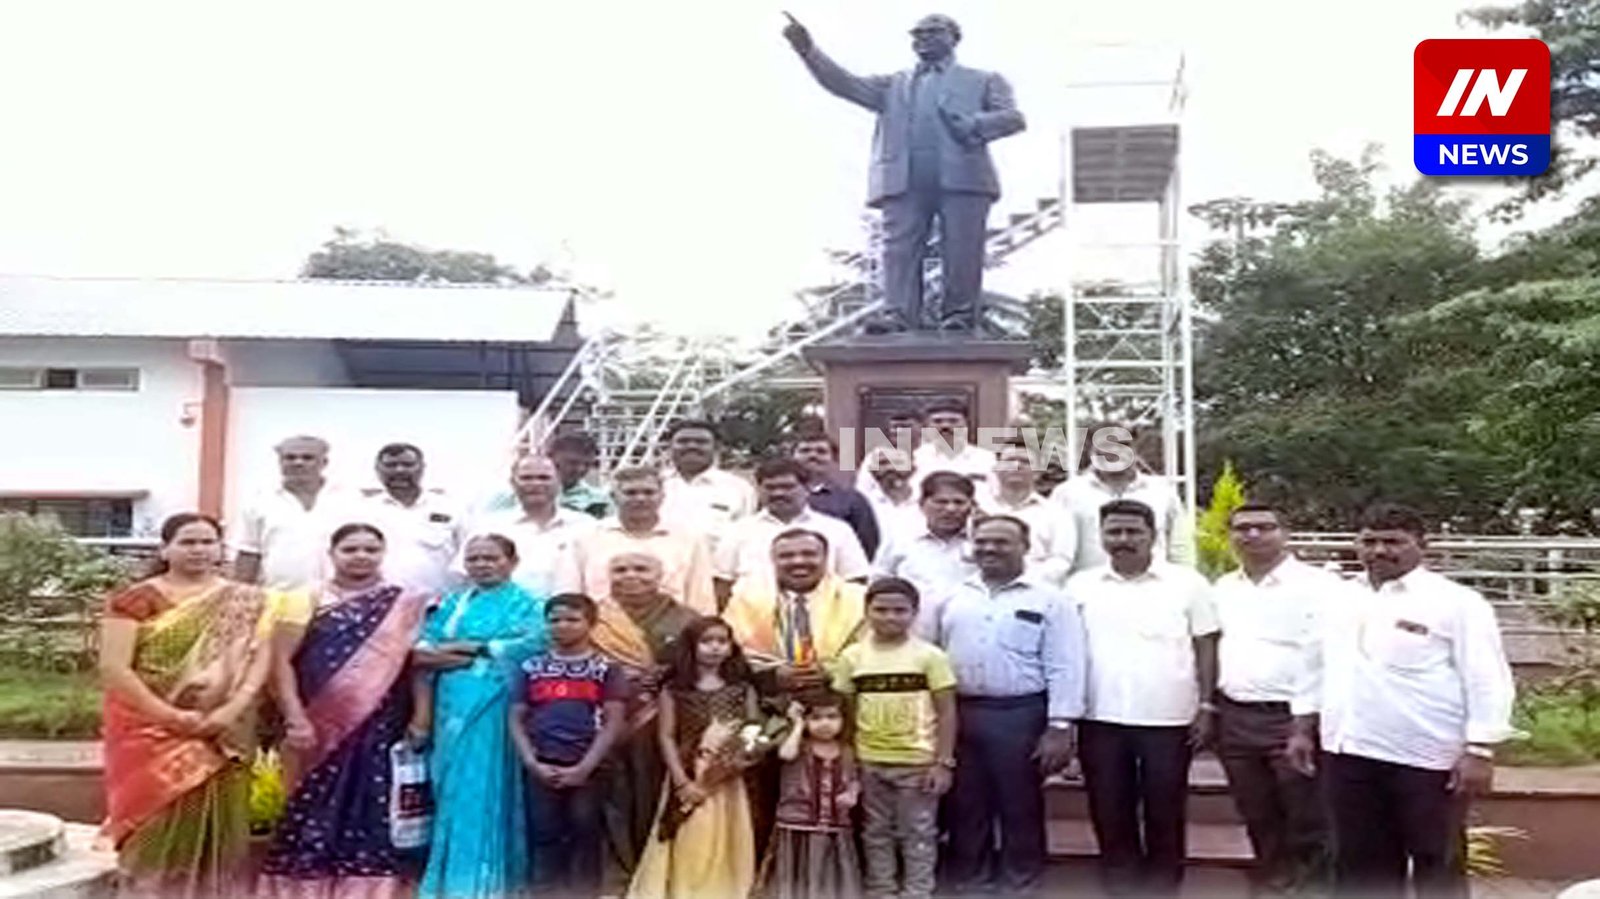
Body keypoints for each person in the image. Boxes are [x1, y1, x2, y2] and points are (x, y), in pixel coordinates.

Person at [1287, 503, 1516, 899]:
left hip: (1427, 758)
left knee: (1436, 861)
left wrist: (1480, 750)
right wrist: (1302, 728)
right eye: (1369, 541)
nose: (1379, 551)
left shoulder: (1457, 602)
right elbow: (1313, 664)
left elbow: (1487, 677)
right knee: (1360, 864)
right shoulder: (1337, 598)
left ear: (1422, 545)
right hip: (1348, 750)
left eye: (1393, 541)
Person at [781, 13, 1026, 333]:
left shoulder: (984, 79)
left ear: (953, 37)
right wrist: (808, 50)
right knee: (898, 251)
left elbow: (1014, 118)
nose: (922, 38)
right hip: (904, 180)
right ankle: (898, 315)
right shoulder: (892, 85)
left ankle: (960, 316)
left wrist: (974, 124)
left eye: (932, 31)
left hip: (963, 177)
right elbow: (844, 84)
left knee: (963, 251)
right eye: (917, 34)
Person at [99, 513, 272, 899]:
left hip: (223, 732)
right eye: (188, 542)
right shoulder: (135, 599)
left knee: (221, 832)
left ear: (221, 549)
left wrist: (229, 712)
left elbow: (260, 659)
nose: (199, 550)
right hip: (149, 731)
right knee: (153, 826)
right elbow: (114, 668)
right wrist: (172, 717)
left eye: (208, 542)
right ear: (165, 549)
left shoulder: (248, 600)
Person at [259, 523, 431, 899]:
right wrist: (294, 717)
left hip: (383, 721)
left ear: (383, 554)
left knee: (374, 803)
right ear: (332, 554)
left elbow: (417, 663)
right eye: (350, 549)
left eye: (371, 549)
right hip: (318, 723)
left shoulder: (407, 602)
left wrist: (422, 716)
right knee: (311, 805)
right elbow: (279, 662)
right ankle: (302, 887)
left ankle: (372, 889)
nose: (361, 557)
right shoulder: (304, 599)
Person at [923, 516, 1085, 895]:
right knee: (966, 807)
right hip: (961, 713)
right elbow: (931, 654)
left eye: (1001, 542)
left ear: (1025, 547)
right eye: (982, 541)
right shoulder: (951, 595)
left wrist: (1061, 725)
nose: (989, 549)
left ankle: (1021, 886)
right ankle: (970, 884)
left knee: (1020, 806)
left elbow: (1066, 663)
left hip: (1020, 714)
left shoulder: (1050, 599)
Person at [1069, 499, 1219, 897]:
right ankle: (1121, 887)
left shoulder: (1187, 584)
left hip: (1168, 717)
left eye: (1133, 531)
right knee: (1108, 809)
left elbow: (1205, 644)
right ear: (1101, 536)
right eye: (1114, 531)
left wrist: (1207, 705)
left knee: (1165, 809)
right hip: (1099, 716)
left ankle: (1163, 888)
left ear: (1154, 535)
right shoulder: (1080, 585)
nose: (1123, 539)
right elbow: (1066, 652)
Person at [413, 534, 547, 899]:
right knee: (448, 787)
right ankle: (446, 879)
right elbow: (423, 651)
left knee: (482, 787)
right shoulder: (453, 602)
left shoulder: (529, 603)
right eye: (473, 559)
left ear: (512, 562)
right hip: (448, 706)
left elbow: (535, 644)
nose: (482, 565)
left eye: (491, 558)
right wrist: (463, 656)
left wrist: (479, 646)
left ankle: (480, 885)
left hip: (494, 704)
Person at [1210, 503, 1335, 892]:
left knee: (1307, 814)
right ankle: (1272, 882)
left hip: (1293, 718)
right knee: (1256, 810)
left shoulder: (1320, 586)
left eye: (1264, 527)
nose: (1252, 535)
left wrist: (1304, 725)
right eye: (1242, 528)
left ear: (1286, 533)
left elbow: (1324, 657)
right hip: (1236, 716)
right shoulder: (1224, 587)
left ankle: (1313, 888)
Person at [831, 578, 957, 899]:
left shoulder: (930, 656)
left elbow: (946, 712)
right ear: (866, 611)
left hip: (918, 762)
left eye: (900, 611)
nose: (890, 617)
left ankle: (917, 891)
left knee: (918, 832)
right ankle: (881, 889)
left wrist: (943, 762)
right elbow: (847, 715)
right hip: (870, 760)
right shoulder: (852, 657)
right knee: (875, 831)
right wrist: (849, 761)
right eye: (881, 610)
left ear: (915, 613)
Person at [589, 553, 702, 895]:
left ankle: (656, 874)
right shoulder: (593, 617)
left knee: (655, 795)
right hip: (606, 719)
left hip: (666, 721)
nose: (630, 576)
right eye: (620, 569)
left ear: (659, 575)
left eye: (641, 569)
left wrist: (664, 675)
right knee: (612, 797)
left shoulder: (687, 619)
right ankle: (617, 875)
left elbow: (706, 665)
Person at [629, 617, 762, 899]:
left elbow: (752, 731)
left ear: (731, 647)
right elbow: (666, 736)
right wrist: (681, 782)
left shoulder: (742, 689)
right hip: (688, 772)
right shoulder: (674, 690)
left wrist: (736, 759)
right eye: (706, 641)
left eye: (722, 641)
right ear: (691, 646)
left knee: (728, 836)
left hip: (729, 778)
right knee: (693, 836)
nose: (715, 647)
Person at [512, 593, 630, 897]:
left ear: (591, 624)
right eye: (554, 620)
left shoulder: (606, 669)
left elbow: (614, 721)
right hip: (542, 764)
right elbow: (516, 717)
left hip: (590, 766)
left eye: (572, 620)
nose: (562, 626)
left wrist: (584, 768)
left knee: (585, 829)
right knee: (544, 832)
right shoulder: (531, 667)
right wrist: (531, 762)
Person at [557, 466, 719, 615]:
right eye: (630, 493)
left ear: (662, 497)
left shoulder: (689, 538)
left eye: (649, 492)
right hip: (601, 630)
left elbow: (701, 598)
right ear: (613, 497)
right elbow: (570, 595)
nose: (640, 498)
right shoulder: (585, 537)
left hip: (671, 632)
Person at [715, 458, 872, 607]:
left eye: (787, 487)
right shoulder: (739, 530)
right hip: (752, 619)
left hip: (824, 619)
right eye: (770, 487)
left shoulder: (837, 530)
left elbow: (855, 580)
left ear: (807, 488)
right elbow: (722, 583)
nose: (778, 493)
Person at [725, 529, 866, 693]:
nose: (798, 561)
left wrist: (832, 671)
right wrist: (771, 675)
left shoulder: (858, 599)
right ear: (773, 561)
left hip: (841, 698)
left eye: (809, 554)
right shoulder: (745, 600)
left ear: (826, 558)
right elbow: (728, 654)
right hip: (767, 698)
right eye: (786, 556)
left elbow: (875, 651)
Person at [756, 692, 863, 899]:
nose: (825, 724)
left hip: (834, 827)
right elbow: (786, 754)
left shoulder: (847, 751)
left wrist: (852, 794)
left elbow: (854, 780)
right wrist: (796, 724)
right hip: (798, 825)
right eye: (816, 718)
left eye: (832, 717)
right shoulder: (799, 747)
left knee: (829, 879)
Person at [1051, 423, 1194, 575]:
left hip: (1153, 585)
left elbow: (1180, 548)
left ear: (1135, 449)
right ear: (1092, 451)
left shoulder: (1162, 491)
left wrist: (1184, 579)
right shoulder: (1067, 494)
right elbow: (1055, 550)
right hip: (1087, 585)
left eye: (1123, 444)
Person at [465, 454, 597, 598]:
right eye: (526, 478)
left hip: (565, 610)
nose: (535, 484)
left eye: (544, 478)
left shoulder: (587, 526)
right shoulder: (489, 526)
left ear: (559, 482)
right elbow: (465, 578)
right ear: (512, 483)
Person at [234, 435, 352, 591]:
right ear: (280, 462)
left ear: (324, 462)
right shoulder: (259, 502)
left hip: (340, 596)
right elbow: (249, 553)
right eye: (290, 458)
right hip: (279, 597)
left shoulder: (349, 499)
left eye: (307, 458)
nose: (298, 463)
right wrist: (240, 594)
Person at [358, 442, 466, 596]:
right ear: (377, 469)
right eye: (391, 465)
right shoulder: (360, 510)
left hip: (440, 603)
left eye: (407, 464)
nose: (399, 470)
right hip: (378, 604)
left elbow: (466, 554)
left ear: (422, 467)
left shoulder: (451, 507)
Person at [871, 471, 979, 624]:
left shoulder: (983, 542)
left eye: (959, 502)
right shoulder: (900, 539)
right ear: (922, 504)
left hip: (969, 624)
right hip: (914, 626)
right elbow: (878, 583)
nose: (950, 509)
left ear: (972, 506)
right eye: (941, 502)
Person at [981, 441, 1076, 587]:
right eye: (1010, 461)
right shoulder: (980, 508)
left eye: (1025, 462)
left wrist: (1023, 581)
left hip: (1036, 590)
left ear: (1038, 472)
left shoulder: (1056, 514)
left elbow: (1061, 560)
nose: (1017, 466)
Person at [659, 418, 757, 554]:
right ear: (670, 446)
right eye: (683, 441)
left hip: (716, 565)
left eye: (701, 442)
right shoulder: (654, 484)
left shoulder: (739, 488)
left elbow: (746, 538)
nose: (691, 446)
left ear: (717, 447)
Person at [793, 426, 882, 560]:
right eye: (805, 451)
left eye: (821, 451)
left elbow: (867, 544)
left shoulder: (852, 500)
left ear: (833, 459)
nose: (813, 456)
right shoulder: (775, 496)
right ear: (793, 456)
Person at [910, 401, 994, 492]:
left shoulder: (986, 458)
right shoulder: (915, 458)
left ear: (966, 425)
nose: (945, 426)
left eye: (953, 421)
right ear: (927, 426)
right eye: (937, 421)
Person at [860, 447, 922, 549]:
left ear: (913, 468)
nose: (890, 468)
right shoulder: (864, 504)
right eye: (883, 463)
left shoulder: (926, 502)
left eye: (898, 462)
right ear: (872, 470)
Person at [551, 432, 615, 519]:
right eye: (573, 463)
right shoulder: (534, 495)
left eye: (587, 464)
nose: (581, 469)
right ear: (551, 459)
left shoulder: (599, 501)